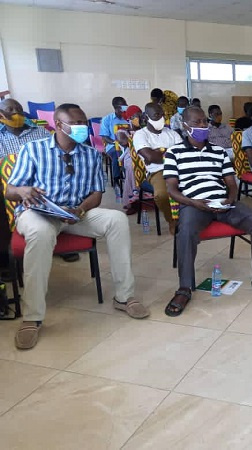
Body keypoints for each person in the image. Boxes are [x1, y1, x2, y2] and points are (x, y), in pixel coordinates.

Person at [5, 103, 149, 349]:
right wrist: (23, 190)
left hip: (74, 214)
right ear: (59, 125)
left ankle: (124, 297)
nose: (83, 127)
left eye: (83, 122)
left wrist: (80, 209)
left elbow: (96, 194)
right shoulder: (33, 149)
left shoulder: (91, 154)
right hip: (39, 213)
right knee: (40, 233)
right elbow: (10, 191)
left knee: (116, 219)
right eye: (76, 123)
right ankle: (32, 317)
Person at [163, 106, 252, 316]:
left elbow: (231, 182)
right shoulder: (174, 152)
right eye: (197, 123)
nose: (203, 126)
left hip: (223, 203)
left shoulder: (218, 152)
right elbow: (172, 189)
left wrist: (230, 198)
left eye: (204, 122)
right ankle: (184, 288)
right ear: (185, 126)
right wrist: (193, 202)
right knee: (186, 230)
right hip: (194, 204)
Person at [0, 99, 54, 266]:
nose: (16, 112)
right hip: (7, 184)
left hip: (41, 181)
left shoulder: (41, 132)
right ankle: (7, 256)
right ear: (1, 114)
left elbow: (53, 158)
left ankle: (57, 241)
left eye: (19, 108)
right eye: (10, 109)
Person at [133, 102, 182, 234]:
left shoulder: (172, 133)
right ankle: (172, 220)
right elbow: (149, 156)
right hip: (158, 172)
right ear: (146, 117)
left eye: (162, 114)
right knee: (161, 195)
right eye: (156, 115)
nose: (161, 118)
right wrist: (168, 152)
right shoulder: (140, 135)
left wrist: (159, 152)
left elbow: (182, 154)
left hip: (179, 168)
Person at [100, 96, 129, 184]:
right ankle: (117, 178)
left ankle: (131, 176)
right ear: (116, 107)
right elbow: (105, 136)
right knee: (118, 154)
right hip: (112, 144)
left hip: (128, 144)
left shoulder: (128, 118)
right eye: (123, 105)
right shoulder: (107, 119)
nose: (126, 107)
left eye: (126, 105)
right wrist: (116, 143)